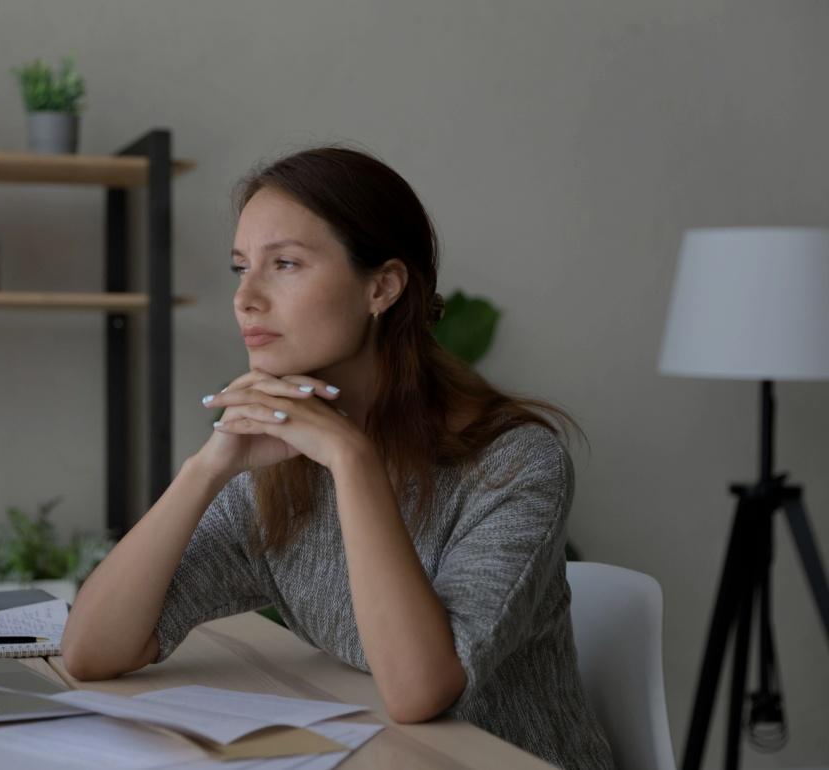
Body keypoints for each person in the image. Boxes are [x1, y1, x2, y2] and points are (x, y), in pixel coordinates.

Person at [61, 145, 616, 770]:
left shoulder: (513, 464)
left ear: (381, 287)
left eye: (286, 264)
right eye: (241, 268)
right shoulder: (274, 466)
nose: (246, 298)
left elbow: (418, 691)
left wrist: (353, 462)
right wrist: (207, 467)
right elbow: (91, 651)